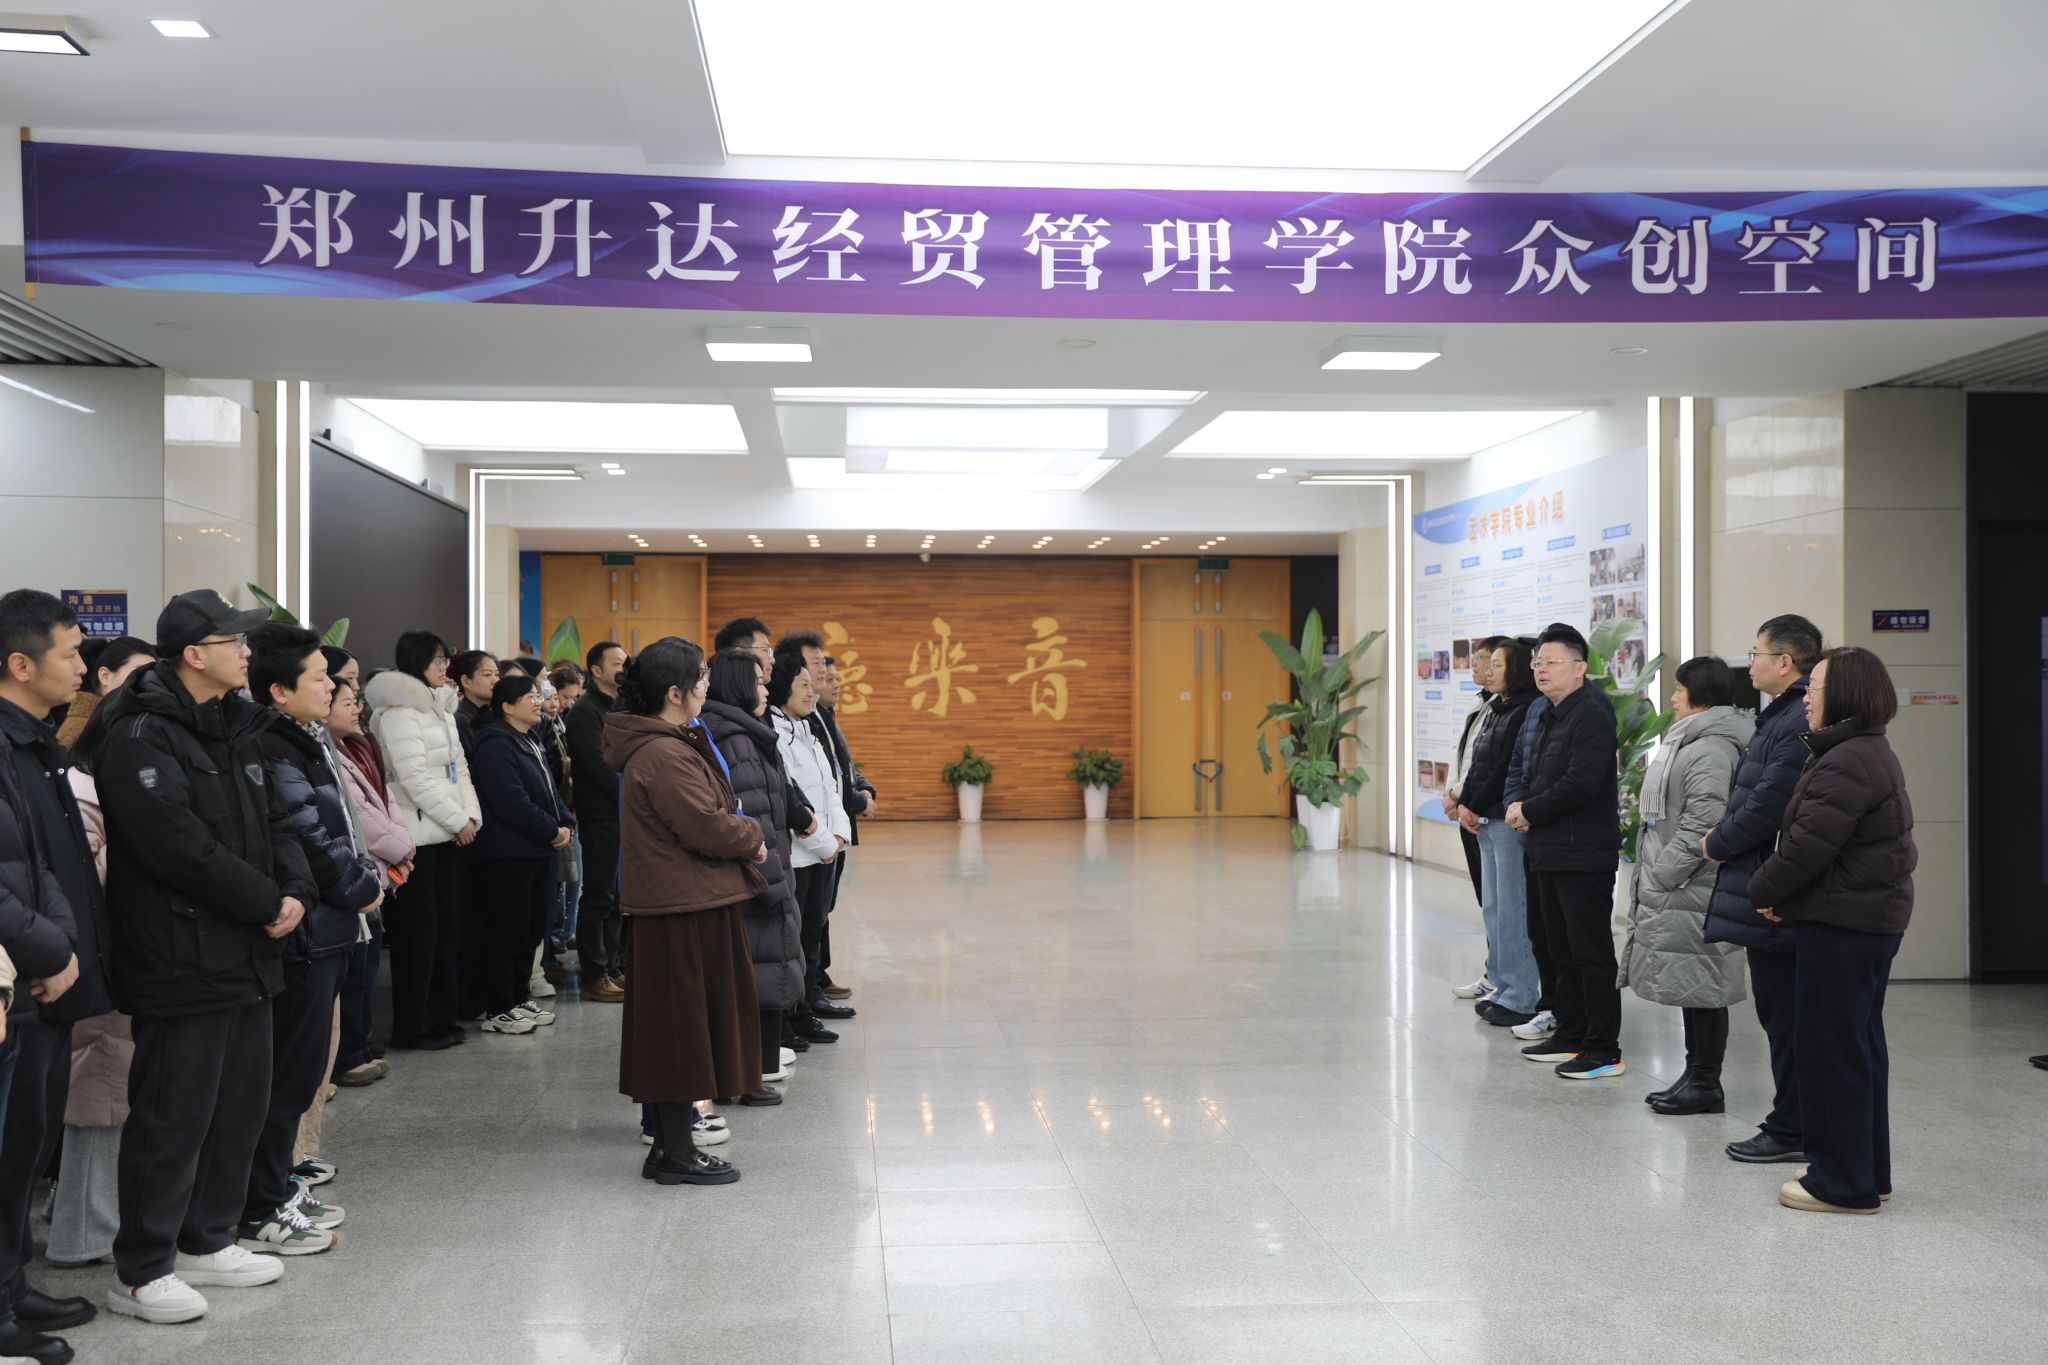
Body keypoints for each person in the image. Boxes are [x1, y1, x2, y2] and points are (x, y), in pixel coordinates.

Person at [96, 589, 318, 1324]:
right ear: (195, 654)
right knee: (173, 1114)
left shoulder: (236, 724)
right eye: (235, 642)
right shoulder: (140, 734)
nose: (248, 653)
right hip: (179, 953)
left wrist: (294, 890)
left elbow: (278, 820)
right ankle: (142, 1269)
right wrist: (266, 901)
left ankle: (207, 1237)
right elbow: (176, 847)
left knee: (237, 1105)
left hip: (249, 949)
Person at [1745, 647, 1915, 1213]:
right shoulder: (1864, 750)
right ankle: (1865, 1171)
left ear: (1842, 695)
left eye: (1814, 687)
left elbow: (1806, 849)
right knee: (1857, 1047)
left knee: (1831, 1052)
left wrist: (1764, 892)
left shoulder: (1845, 760)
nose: (1806, 698)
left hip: (1842, 924)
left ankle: (1841, 1183)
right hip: (1860, 919)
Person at [603, 637, 770, 1184]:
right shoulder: (662, 753)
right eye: (699, 677)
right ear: (674, 693)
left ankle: (669, 1146)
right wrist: (752, 835)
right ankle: (676, 1152)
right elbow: (706, 826)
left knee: (681, 1027)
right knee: (680, 1031)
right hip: (679, 905)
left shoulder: (672, 742)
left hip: (687, 897)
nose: (706, 684)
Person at [239, 624, 379, 1256]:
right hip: (309, 929)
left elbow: (336, 823)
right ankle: (261, 1205)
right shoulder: (274, 744)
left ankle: (276, 1189)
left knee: (300, 1075)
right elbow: (305, 836)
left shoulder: (306, 736)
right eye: (321, 678)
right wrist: (357, 884)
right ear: (278, 689)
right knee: (286, 1075)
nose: (334, 688)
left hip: (328, 925)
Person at [0, 591, 109, 1361]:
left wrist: (64, 948)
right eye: (70, 653)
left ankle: (12, 1286)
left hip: (42, 975)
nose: (82, 667)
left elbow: (41, 862)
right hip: (20, 979)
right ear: (20, 662)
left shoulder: (35, 741)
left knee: (24, 1147)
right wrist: (51, 952)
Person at [1702, 613, 1822, 1166]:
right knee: (1782, 1016)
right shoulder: (1781, 714)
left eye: (1755, 654)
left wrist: (1718, 841)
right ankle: (1792, 1121)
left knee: (1789, 1018)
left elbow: (1769, 804)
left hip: (1778, 893)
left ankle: (1793, 1127)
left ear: (1785, 661)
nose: (1748, 663)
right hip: (1766, 885)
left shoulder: (1795, 718)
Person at [1619, 656, 1753, 1115]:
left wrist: (1664, 873)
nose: (1673, 698)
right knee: (1692, 984)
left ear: (1700, 695)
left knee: (1705, 985)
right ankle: (1695, 1074)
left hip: (1696, 884)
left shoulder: (1710, 748)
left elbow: (1703, 822)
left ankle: (1706, 1082)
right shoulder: (1691, 740)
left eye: (1679, 689)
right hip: (1686, 885)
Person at [1508, 624, 1624, 1080]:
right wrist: (1520, 806)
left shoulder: (1590, 714)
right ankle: (1571, 1033)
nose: (1541, 670)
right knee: (1561, 951)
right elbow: (1534, 775)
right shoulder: (1549, 714)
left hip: (1583, 853)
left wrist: (1530, 810)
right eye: (1537, 662)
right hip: (1549, 849)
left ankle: (1604, 1048)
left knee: (1590, 953)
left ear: (1579, 668)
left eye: (1551, 662)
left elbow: (1581, 783)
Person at [365, 631, 481, 1052]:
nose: (444, 667)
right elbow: (413, 779)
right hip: (417, 836)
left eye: (445, 659)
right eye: (437, 660)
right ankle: (413, 1024)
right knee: (418, 935)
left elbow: (459, 769)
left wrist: (470, 816)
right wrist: (456, 819)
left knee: (446, 930)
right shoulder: (399, 712)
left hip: (448, 832)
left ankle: (442, 1015)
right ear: (417, 663)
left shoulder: (441, 709)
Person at [46, 695, 127, 1275]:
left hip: (117, 964)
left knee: (107, 1096)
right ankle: (80, 1235)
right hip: (96, 966)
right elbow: (84, 883)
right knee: (99, 1097)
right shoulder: (82, 789)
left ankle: (88, 1225)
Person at [700, 649, 807, 1082]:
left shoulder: (745, 731)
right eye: (759, 683)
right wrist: (774, 883)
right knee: (759, 966)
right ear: (739, 686)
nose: (766, 691)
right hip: (758, 878)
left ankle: (760, 1058)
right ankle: (754, 1065)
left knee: (765, 965)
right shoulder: (735, 738)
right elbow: (753, 816)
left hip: (766, 871)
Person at [468, 674, 572, 1036]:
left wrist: (566, 822)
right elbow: (510, 801)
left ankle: (517, 997)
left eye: (537, 695)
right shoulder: (495, 744)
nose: (538, 702)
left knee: (531, 929)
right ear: (507, 707)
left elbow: (550, 790)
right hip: (508, 853)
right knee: (506, 930)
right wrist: (551, 829)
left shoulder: (529, 739)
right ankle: (498, 1007)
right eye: (530, 696)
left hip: (537, 850)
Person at [1454, 639, 1541, 1028]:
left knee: (1512, 909)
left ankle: (1521, 995)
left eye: (1496, 665)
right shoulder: (1496, 708)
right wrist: (1465, 802)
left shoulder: (1524, 710)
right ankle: (1502, 986)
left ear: (1516, 670)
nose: (1488, 671)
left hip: (1503, 820)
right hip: (1485, 819)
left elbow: (1506, 769)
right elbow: (1477, 765)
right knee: (1493, 906)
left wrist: (1473, 804)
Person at [328, 676, 410, 1087]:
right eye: (345, 701)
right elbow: (359, 816)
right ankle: (347, 1055)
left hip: (378, 866)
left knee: (367, 965)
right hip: (361, 867)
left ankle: (359, 1047)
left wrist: (404, 848)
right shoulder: (326, 751)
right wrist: (400, 850)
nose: (356, 708)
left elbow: (385, 799)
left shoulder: (356, 746)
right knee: (354, 972)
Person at [770, 655, 849, 1046]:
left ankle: (806, 1011)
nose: (811, 691)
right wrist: (823, 843)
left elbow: (830, 788)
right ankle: (791, 1015)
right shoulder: (775, 734)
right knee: (794, 941)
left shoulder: (807, 728)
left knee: (813, 934)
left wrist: (839, 836)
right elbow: (791, 799)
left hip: (824, 851)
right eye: (803, 684)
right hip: (801, 855)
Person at [567, 640, 627, 1002]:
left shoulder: (619, 706)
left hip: (622, 813)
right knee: (599, 895)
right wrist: (633, 795)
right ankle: (594, 973)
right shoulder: (585, 711)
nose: (623, 668)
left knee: (619, 896)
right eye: (616, 663)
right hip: (602, 814)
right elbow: (597, 766)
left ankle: (614, 966)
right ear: (596, 670)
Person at [813, 652, 874, 1004]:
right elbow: (825, 781)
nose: (836, 685)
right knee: (816, 909)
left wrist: (864, 788)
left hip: (837, 828)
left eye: (837, 679)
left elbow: (843, 768)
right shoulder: (811, 721)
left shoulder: (828, 720)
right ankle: (815, 979)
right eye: (828, 679)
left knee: (825, 905)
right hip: (821, 830)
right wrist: (858, 801)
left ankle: (819, 975)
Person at [1444, 637, 1508, 950]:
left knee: (1499, 899)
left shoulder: (1503, 708)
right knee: (1486, 897)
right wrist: (1452, 795)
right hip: (1466, 806)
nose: (1478, 664)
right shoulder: (1480, 702)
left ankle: (1501, 967)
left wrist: (1461, 798)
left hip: (1482, 810)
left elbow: (1485, 764)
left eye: (1485, 658)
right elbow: (1463, 753)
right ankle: (1494, 965)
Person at [543, 665, 583, 976]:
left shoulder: (561, 723)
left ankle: (564, 932)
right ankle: (556, 936)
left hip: (567, 812)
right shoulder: (542, 729)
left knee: (572, 877)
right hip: (554, 816)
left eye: (567, 698)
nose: (561, 704)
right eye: (557, 697)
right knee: (561, 880)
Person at [56, 635, 153, 750]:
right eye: (138, 671)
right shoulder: (81, 731)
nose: (148, 679)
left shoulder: (139, 721)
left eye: (153, 672)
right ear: (105, 676)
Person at [449, 650, 499, 762]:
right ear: (466, 681)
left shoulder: (495, 714)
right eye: (487, 674)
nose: (495, 680)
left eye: (497, 674)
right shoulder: (462, 720)